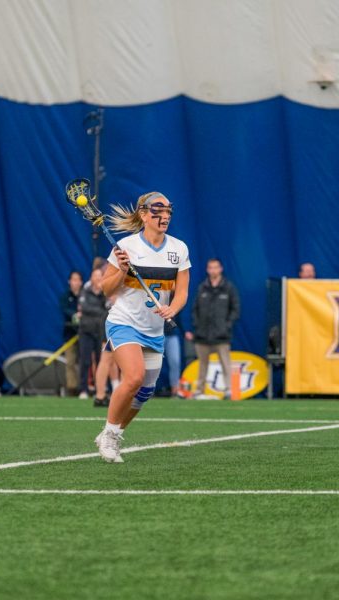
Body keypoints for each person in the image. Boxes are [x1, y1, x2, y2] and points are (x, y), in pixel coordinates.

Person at [94, 191, 190, 463]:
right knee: (134, 377)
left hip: (154, 329)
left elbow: (181, 291)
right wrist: (123, 270)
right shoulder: (125, 247)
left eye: (168, 211)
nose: (165, 216)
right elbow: (105, 289)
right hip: (123, 321)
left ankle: (113, 431)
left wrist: (173, 308)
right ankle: (111, 437)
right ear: (143, 214)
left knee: (144, 393)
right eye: (158, 211)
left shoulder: (179, 249)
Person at [187, 258, 240, 400]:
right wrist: (196, 326)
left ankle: (229, 390)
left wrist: (226, 325)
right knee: (202, 365)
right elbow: (194, 309)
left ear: (221, 269)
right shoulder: (202, 287)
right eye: (210, 267)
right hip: (202, 334)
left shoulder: (228, 287)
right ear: (207, 270)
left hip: (222, 335)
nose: (213, 270)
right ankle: (199, 391)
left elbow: (235, 310)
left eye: (215, 267)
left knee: (225, 364)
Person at [77, 267, 109, 399]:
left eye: (100, 276)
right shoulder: (85, 291)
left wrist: (99, 311)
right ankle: (83, 389)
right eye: (95, 276)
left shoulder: (105, 293)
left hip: (100, 332)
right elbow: (85, 307)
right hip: (86, 331)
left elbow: (108, 309)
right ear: (91, 278)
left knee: (100, 360)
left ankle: (99, 389)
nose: (97, 278)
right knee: (85, 361)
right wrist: (99, 311)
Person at [59, 270, 82, 396]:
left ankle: (85, 387)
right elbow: (64, 310)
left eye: (78, 279)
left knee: (85, 362)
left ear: (81, 282)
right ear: (69, 282)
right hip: (70, 334)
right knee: (70, 362)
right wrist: (75, 316)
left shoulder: (85, 295)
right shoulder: (65, 296)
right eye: (73, 280)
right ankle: (72, 389)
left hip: (86, 334)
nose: (75, 282)